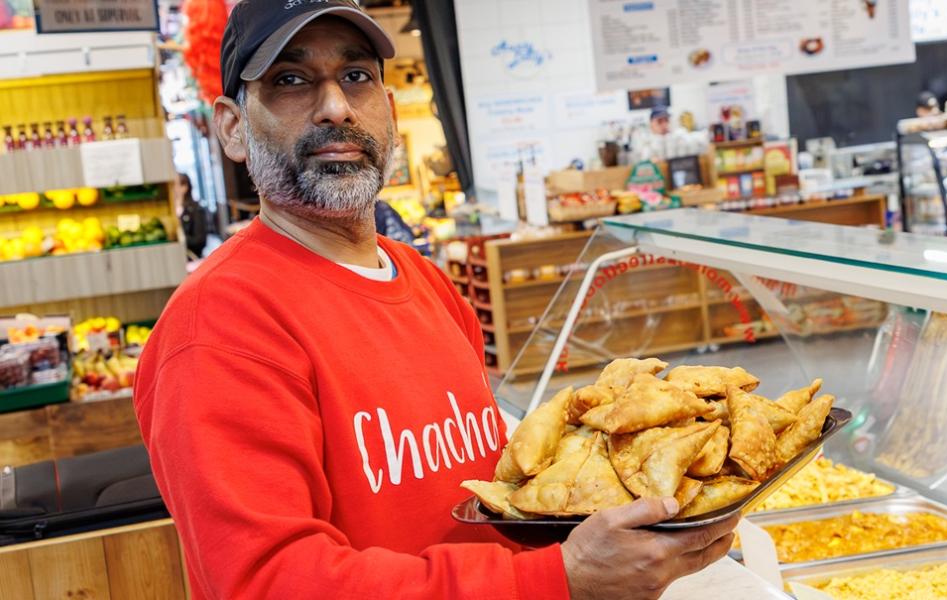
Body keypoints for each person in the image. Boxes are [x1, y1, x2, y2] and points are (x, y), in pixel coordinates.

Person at [133, 2, 737, 599]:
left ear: (389, 112)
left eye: (357, 76)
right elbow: (268, 582)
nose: (336, 106)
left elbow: (484, 505)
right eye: (290, 80)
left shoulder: (427, 283)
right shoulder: (219, 325)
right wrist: (557, 579)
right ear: (233, 127)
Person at [175, 173, 210, 258]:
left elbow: (200, 240)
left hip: (192, 258)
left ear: (184, 187)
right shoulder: (171, 209)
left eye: (174, 184)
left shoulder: (196, 209)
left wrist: (179, 239)